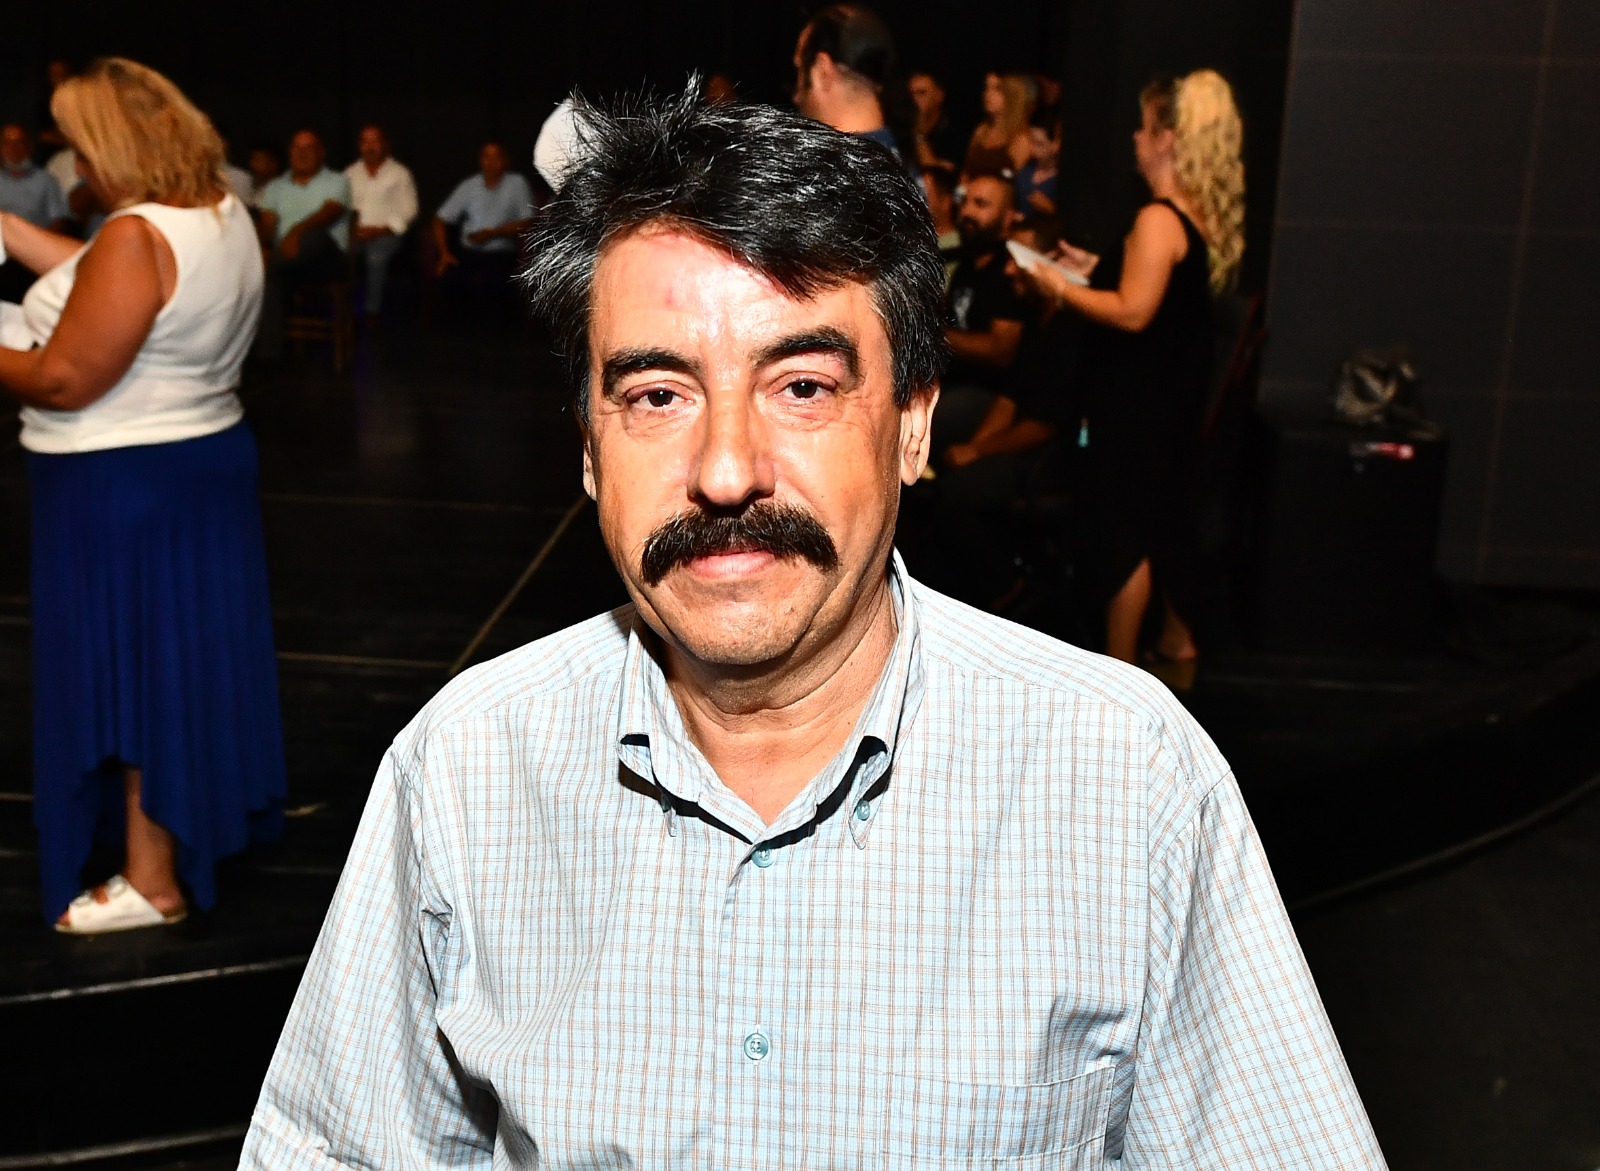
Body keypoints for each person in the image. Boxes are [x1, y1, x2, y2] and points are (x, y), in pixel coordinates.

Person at [241, 83, 1383, 1169]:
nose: (725, 470)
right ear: (588, 447)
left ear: (913, 427)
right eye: (657, 395)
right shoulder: (464, 771)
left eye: (801, 387)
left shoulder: (1128, 780)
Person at [0, 57, 285, 932]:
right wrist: (8, 229)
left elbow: (62, 377)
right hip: (196, 471)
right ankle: (177, 837)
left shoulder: (134, 235)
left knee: (135, 677)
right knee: (176, 668)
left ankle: (153, 879)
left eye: (82, 150)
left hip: (122, 487)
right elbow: (112, 279)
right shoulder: (218, 211)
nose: (77, 169)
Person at [1019, 70, 1246, 680]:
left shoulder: (1157, 218)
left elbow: (1134, 310)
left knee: (1124, 537)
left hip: (1139, 408)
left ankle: (1121, 675)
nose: (1135, 138)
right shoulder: (1190, 216)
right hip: (1169, 403)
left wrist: (1059, 287)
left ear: (1168, 139)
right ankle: (1175, 641)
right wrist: (1091, 269)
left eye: (1145, 128)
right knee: (1159, 522)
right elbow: (1154, 293)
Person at [938, 171, 1026, 454]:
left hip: (988, 393)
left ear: (1008, 218)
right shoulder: (968, 262)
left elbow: (1001, 349)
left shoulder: (1008, 271)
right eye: (965, 202)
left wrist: (933, 334)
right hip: (950, 380)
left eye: (981, 204)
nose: (966, 212)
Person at [254, 129, 351, 359]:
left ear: (321, 153)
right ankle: (268, 358)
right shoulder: (276, 187)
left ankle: (268, 267)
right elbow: (267, 226)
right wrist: (261, 246)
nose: (302, 153)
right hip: (286, 262)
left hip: (326, 260)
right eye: (297, 147)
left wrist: (296, 232)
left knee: (313, 237)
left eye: (309, 148)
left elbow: (330, 212)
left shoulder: (337, 181)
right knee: (269, 278)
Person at [792, 3, 914, 166]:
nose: (796, 97)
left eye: (800, 72)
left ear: (822, 72)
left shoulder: (830, 173)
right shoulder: (905, 167)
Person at [431, 141, 534, 318]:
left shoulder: (517, 184)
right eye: (486, 157)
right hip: (468, 250)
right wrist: (444, 253)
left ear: (505, 161)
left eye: (496, 157)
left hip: (501, 252)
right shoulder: (469, 185)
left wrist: (492, 233)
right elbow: (439, 219)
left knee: (494, 285)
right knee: (450, 280)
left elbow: (528, 221)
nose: (491, 162)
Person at [344, 123, 418, 320]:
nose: (370, 147)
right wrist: (354, 230)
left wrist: (381, 230)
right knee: (337, 253)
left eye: (375, 141)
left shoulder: (400, 173)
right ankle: (343, 311)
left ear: (385, 145)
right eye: (365, 142)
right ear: (359, 146)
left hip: (387, 234)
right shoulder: (350, 173)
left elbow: (410, 210)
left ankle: (371, 312)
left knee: (376, 257)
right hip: (356, 234)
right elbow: (341, 207)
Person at [0, 125, 72, 301]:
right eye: (7, 143)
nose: (14, 149)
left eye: (20, 143)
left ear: (30, 147)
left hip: (32, 259)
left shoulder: (46, 181)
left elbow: (59, 221)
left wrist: (35, 248)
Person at [963, 71, 1033, 181]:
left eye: (997, 89)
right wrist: (960, 192)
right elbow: (966, 172)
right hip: (970, 189)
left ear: (1011, 94)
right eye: (987, 88)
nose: (988, 94)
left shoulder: (1020, 139)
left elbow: (1015, 180)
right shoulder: (981, 131)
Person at [908, 69, 964, 168]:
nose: (915, 99)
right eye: (912, 94)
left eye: (922, 93)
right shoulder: (905, 128)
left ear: (939, 95)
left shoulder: (955, 132)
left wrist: (920, 136)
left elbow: (936, 170)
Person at [1014, 102, 1062, 216]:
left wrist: (1050, 210)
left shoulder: (1059, 182)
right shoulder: (1026, 170)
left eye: (1040, 144)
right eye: (1031, 141)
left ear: (1056, 144)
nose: (1033, 150)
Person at [919, 161, 961, 285]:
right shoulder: (916, 241)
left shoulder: (959, 249)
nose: (916, 202)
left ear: (946, 201)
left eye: (923, 196)